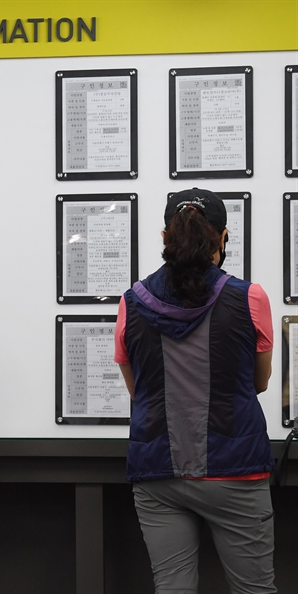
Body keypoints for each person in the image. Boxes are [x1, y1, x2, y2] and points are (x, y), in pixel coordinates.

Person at [115, 188, 276, 593]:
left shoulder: (131, 302)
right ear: (222, 238)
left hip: (158, 471)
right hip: (236, 468)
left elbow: (140, 393)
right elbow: (259, 383)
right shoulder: (250, 298)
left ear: (165, 237)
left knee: (172, 587)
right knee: (253, 589)